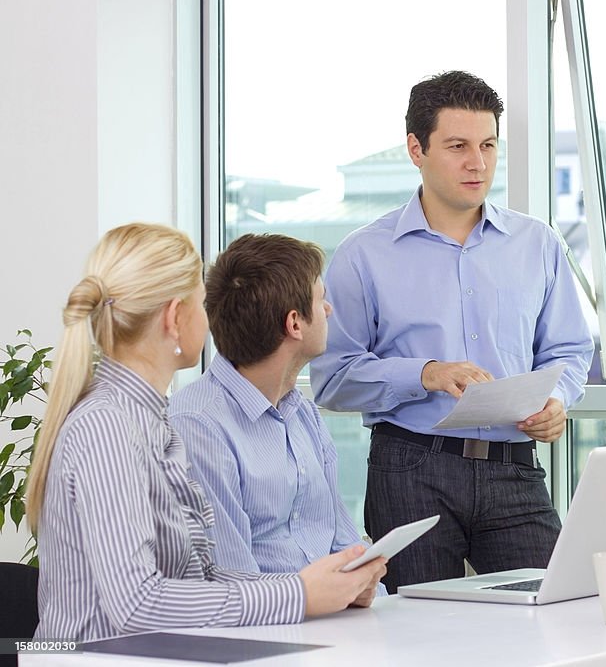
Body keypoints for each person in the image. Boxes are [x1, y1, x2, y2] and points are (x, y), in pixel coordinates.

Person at [27, 223, 386, 642]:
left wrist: (324, 588)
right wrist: (299, 594)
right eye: (201, 302)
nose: (214, 316)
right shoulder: (108, 426)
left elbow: (202, 577)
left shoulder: (146, 419)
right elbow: (137, 605)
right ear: (175, 318)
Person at [310, 70, 594, 591]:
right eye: (458, 145)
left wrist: (556, 400)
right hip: (411, 468)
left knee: (559, 613)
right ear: (416, 149)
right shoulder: (363, 254)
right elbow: (332, 377)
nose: (478, 163)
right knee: (418, 634)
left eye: (488, 145)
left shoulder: (539, 244)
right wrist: (425, 374)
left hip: (515, 467)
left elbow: (570, 350)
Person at [168, 234, 382, 596]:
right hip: (266, 630)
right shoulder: (196, 426)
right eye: (321, 299)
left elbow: (344, 543)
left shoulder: (303, 413)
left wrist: (362, 583)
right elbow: (232, 583)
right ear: (294, 323)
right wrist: (320, 595)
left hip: (332, 623)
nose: (328, 310)